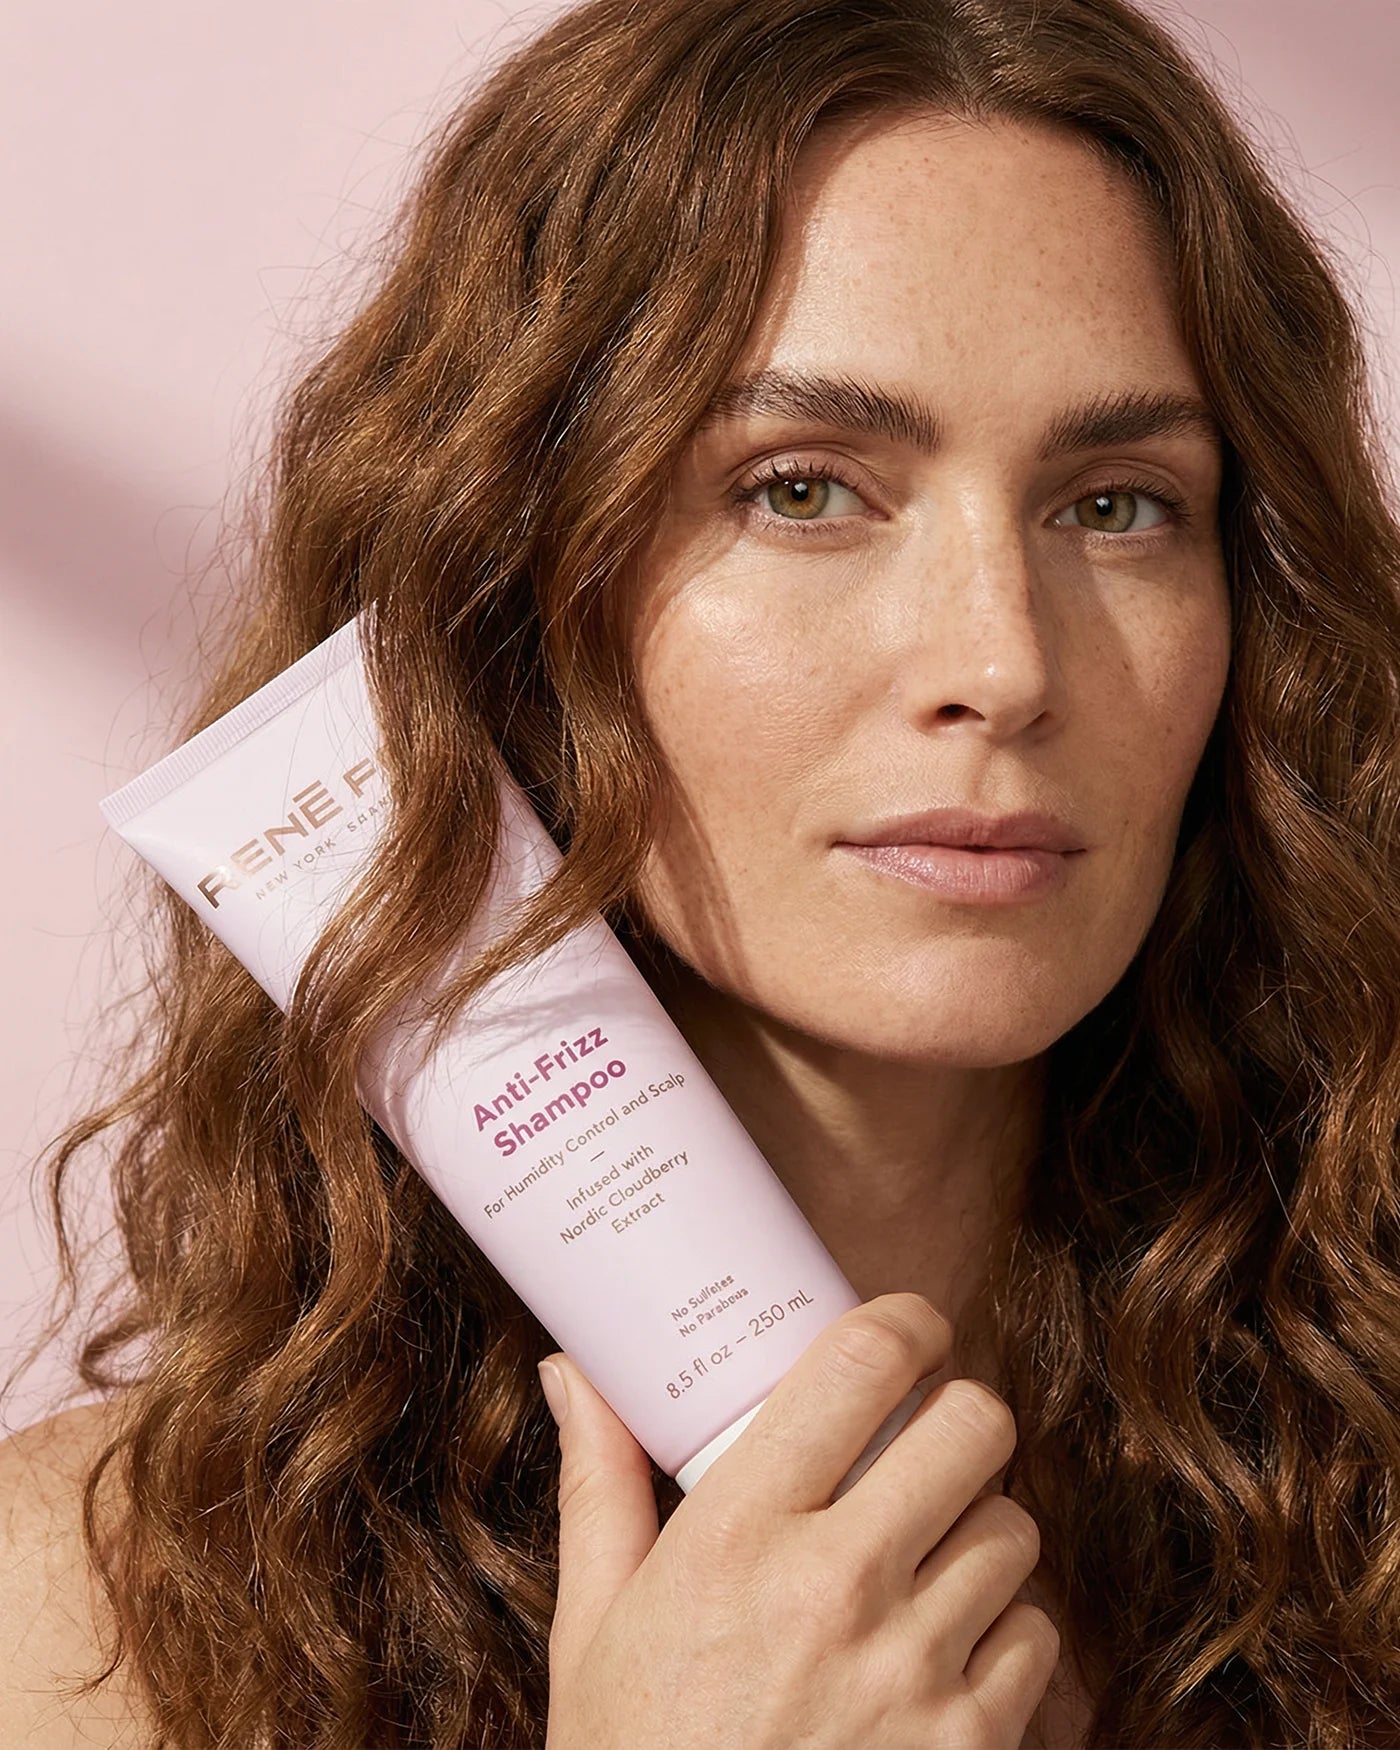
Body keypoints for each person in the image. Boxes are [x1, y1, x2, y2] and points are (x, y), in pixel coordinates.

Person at [4, 0, 1400, 1742]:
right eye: (802, 489)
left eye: (1116, 505)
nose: (1003, 661)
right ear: (518, 600)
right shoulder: (82, 1624)